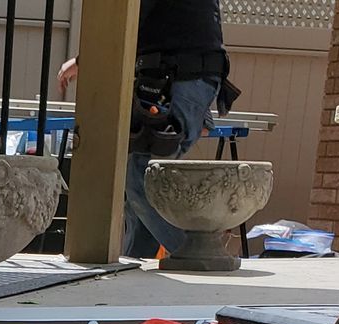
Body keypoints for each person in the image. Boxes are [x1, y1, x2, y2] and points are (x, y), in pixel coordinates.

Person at [58, 0, 232, 259]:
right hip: (185, 76)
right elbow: (191, 23)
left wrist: (85, 60)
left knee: (139, 176)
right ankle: (136, 265)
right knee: (138, 187)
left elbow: (126, 20)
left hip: (182, 76)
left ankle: (198, 255)